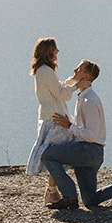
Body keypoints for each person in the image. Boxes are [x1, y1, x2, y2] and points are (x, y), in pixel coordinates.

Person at [41, 59, 112, 210]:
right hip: (92, 154)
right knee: (90, 200)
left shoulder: (89, 100)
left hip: (88, 150)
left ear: (87, 76)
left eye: (78, 69)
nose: (74, 70)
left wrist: (70, 126)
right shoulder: (83, 97)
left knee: (47, 155)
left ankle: (69, 196)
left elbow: (91, 135)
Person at [26, 38, 76, 182]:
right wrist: (76, 86)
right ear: (49, 51)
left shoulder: (43, 70)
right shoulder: (46, 71)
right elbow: (60, 94)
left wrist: (73, 80)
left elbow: (57, 87)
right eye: (55, 48)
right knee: (56, 156)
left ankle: (52, 191)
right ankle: (52, 190)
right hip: (55, 118)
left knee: (54, 155)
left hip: (50, 115)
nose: (58, 51)